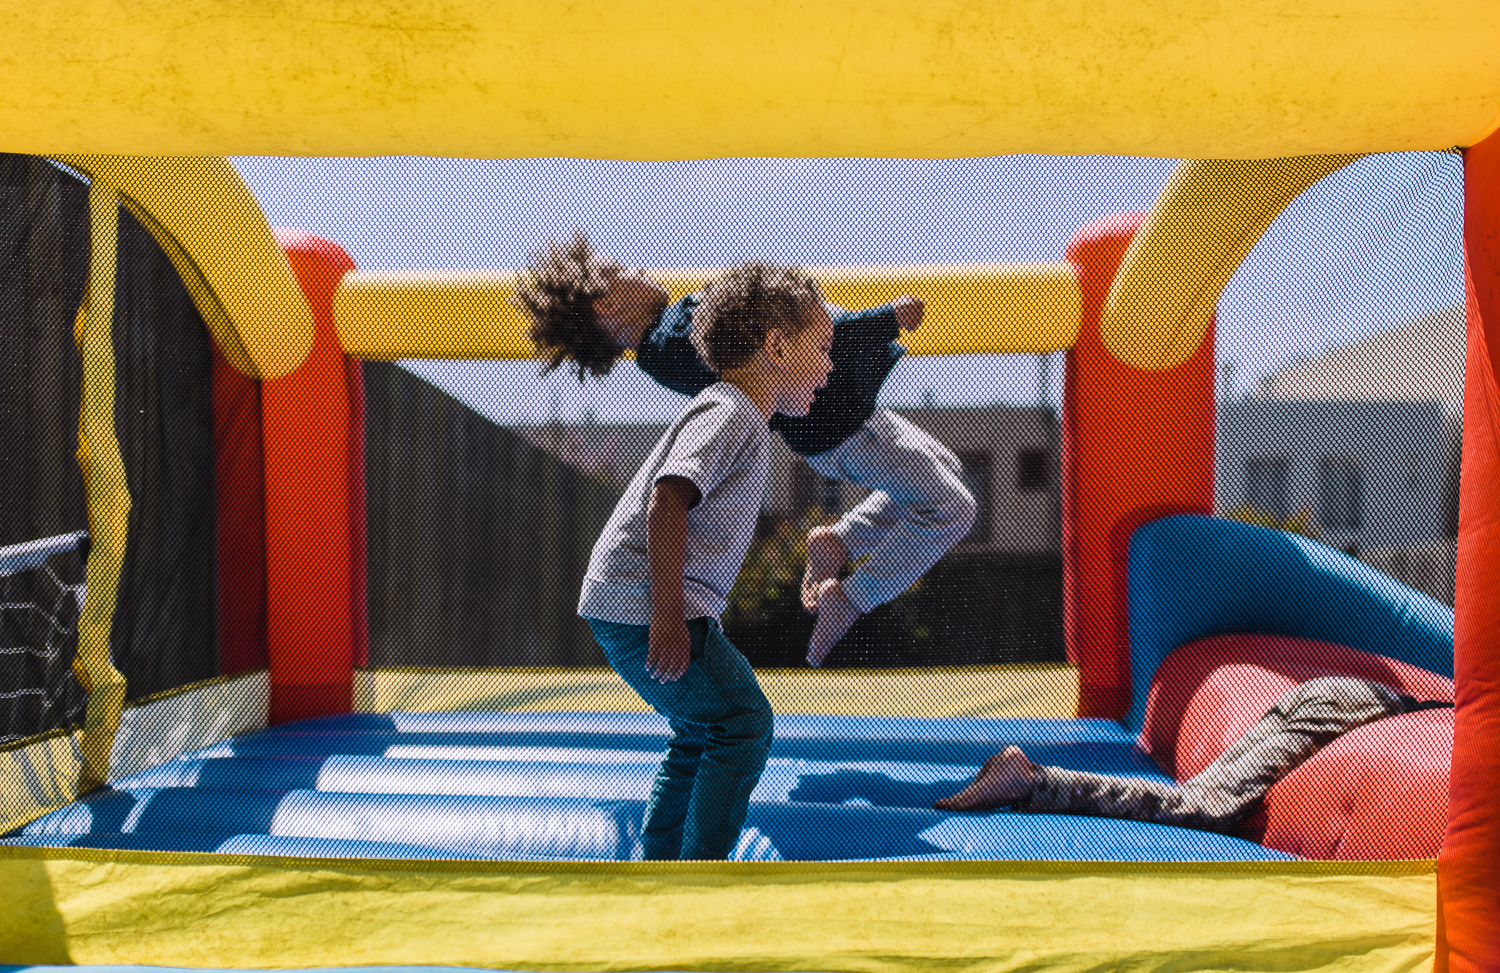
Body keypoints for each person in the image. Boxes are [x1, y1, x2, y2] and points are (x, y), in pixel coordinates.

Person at [514, 233, 976, 667]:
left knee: (946, 470)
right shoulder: (672, 342)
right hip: (840, 426)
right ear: (609, 305)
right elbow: (780, 342)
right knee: (952, 507)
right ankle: (851, 598)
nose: (639, 268)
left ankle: (841, 539)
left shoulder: (667, 342)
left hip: (846, 412)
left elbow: (786, 338)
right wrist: (884, 320)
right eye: (624, 269)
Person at [577, 261, 834, 860]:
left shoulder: (733, 412)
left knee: (701, 730)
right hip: (646, 606)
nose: (829, 365)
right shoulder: (729, 414)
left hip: (632, 603)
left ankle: (663, 860)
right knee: (743, 725)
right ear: (777, 346)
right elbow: (668, 498)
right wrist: (668, 616)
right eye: (822, 347)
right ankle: (702, 870)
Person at [933, 676, 1450, 834]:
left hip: (1348, 699)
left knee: (1206, 799)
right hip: (1357, 705)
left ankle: (1033, 778)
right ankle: (1034, 780)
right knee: (1207, 806)